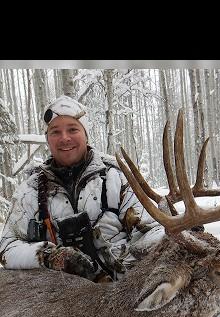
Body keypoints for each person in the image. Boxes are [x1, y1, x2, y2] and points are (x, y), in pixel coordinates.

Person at [0, 95, 164, 281]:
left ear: (85, 134)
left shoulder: (116, 178)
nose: (64, 138)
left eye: (72, 129)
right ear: (47, 139)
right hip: (58, 300)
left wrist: (173, 237)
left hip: (122, 291)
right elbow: (7, 248)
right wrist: (50, 256)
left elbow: (150, 230)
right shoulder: (30, 191)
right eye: (55, 131)